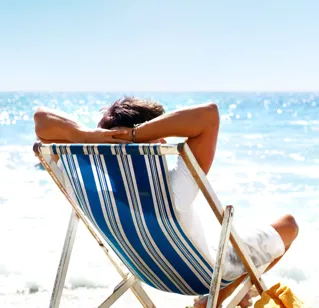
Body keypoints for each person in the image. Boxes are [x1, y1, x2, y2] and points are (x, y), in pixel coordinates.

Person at [34, 97, 299, 308]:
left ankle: (220, 298)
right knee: (288, 225)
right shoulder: (174, 189)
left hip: (146, 273)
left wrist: (86, 136)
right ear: (157, 141)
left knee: (237, 241)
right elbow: (209, 115)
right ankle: (215, 300)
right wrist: (137, 136)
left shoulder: (87, 186)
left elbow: (41, 121)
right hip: (205, 277)